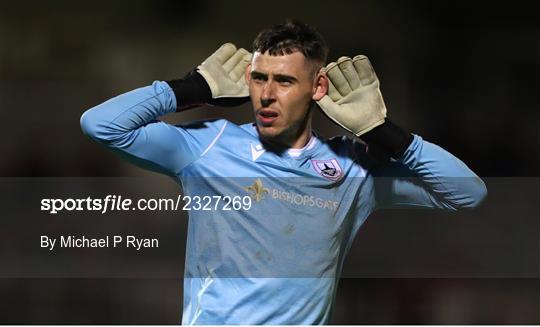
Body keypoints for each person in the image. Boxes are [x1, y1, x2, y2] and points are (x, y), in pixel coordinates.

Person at [80, 20, 487, 324]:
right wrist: (192, 89)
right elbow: (101, 124)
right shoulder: (209, 146)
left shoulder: (352, 169)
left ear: (318, 88)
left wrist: (381, 131)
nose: (268, 94)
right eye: (260, 78)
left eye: (285, 81)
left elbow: (468, 192)